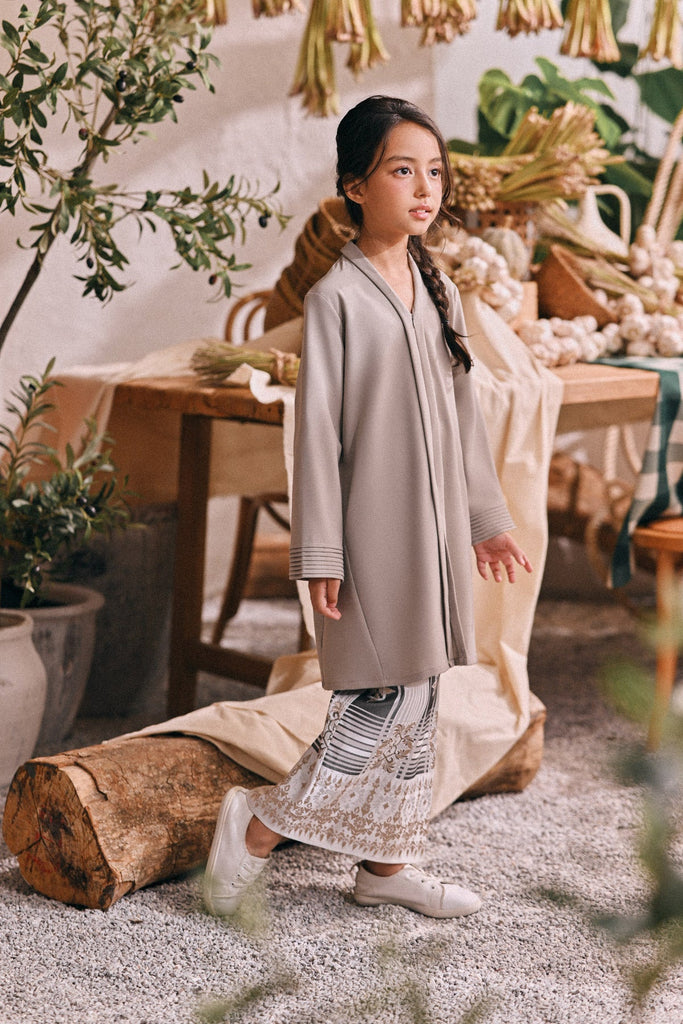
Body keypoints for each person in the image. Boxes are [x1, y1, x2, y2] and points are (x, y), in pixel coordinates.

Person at [203, 94, 532, 920]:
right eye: (401, 171)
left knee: (421, 696)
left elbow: (463, 418)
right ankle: (256, 828)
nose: (424, 188)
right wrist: (318, 552)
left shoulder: (438, 288)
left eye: (434, 172)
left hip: (433, 534)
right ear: (354, 185)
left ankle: (386, 865)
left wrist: (486, 521)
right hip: (368, 536)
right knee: (378, 699)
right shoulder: (334, 300)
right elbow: (314, 437)